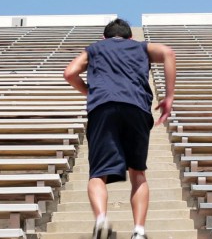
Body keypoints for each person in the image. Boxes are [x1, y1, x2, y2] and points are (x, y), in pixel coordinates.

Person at [63, 18, 176, 239]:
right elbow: (168, 53)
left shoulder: (95, 49)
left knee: (98, 174)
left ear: (103, 38)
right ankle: (139, 232)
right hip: (137, 107)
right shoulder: (140, 46)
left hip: (103, 107)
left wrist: (90, 92)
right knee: (138, 173)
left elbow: (69, 73)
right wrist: (169, 97)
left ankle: (102, 219)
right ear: (130, 37)